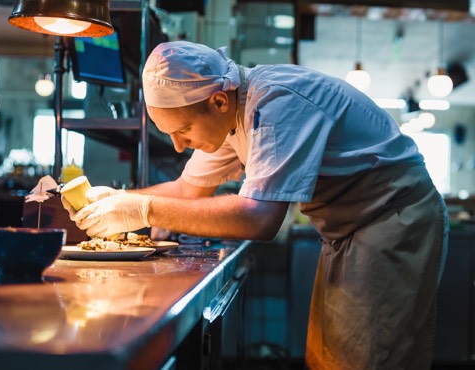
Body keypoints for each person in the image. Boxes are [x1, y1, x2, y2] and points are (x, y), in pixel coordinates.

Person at [63, 40, 449, 369]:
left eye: (183, 131)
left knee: (371, 357)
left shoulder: (276, 104)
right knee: (332, 356)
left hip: (393, 220)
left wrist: (142, 210)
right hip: (348, 232)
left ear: (217, 101)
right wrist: (116, 199)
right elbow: (185, 191)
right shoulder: (230, 116)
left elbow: (259, 218)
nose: (179, 146)